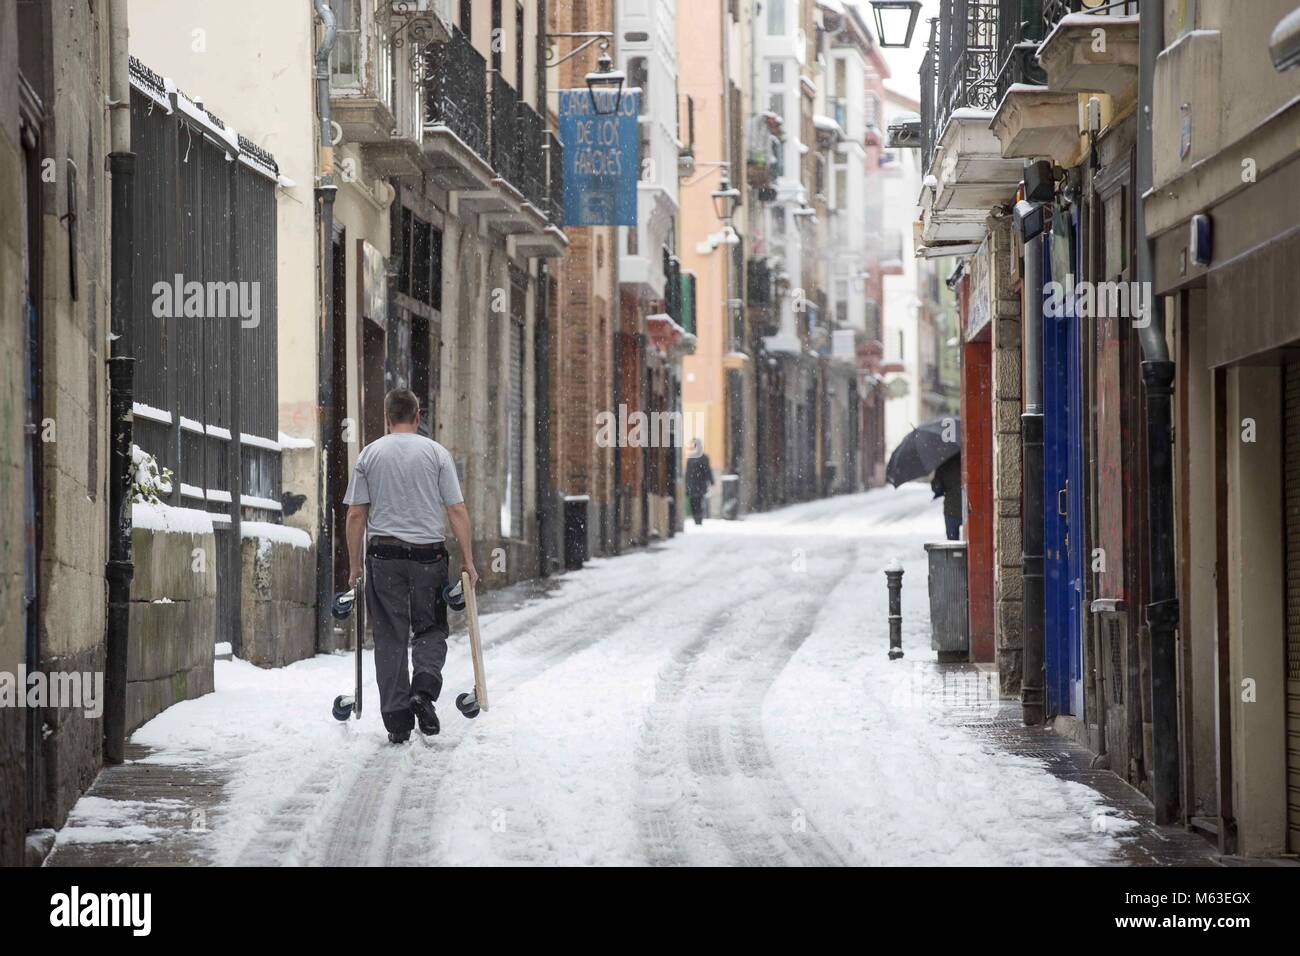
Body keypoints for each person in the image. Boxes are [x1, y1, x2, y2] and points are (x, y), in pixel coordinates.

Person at [343, 388, 478, 744]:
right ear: (418, 416)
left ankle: (397, 720)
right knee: (430, 628)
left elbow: (356, 513)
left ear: (387, 418)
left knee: (389, 635)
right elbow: (456, 510)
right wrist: (468, 560)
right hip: (428, 557)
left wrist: (354, 565)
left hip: (384, 556)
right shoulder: (436, 453)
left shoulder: (370, 454)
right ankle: (424, 689)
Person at [932, 454, 963, 541]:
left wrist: (937, 483)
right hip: (968, 508)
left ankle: (955, 554)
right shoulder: (965, 460)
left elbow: (937, 488)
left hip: (951, 510)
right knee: (972, 541)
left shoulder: (943, 465)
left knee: (952, 543)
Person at [684, 438, 714, 526]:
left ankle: (698, 519)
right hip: (694, 484)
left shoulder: (703, 458)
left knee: (698, 501)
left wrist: (711, 481)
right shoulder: (691, 458)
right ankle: (697, 518)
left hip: (698, 484)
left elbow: (707, 470)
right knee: (694, 502)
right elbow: (688, 472)